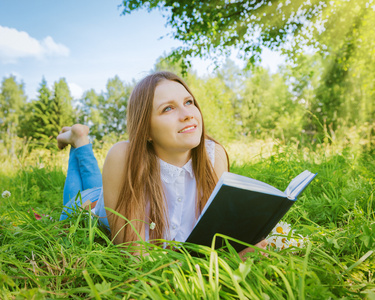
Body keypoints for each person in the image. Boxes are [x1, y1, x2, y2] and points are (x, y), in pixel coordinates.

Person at [58, 71, 267, 259]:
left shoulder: (214, 156)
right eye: (168, 108)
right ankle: (77, 140)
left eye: (189, 102)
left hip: (108, 190)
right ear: (145, 130)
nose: (187, 114)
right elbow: (136, 258)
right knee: (80, 190)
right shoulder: (122, 156)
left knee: (95, 181)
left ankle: (77, 137)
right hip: (89, 206)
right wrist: (223, 263)